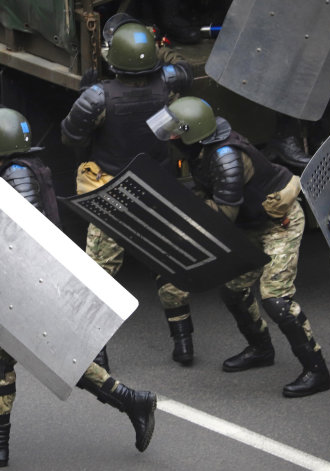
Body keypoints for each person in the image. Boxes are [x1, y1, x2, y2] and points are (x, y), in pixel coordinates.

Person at [0, 106, 157, 467]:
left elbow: (23, 236)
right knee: (53, 360)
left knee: (8, 361)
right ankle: (131, 401)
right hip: (34, 283)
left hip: (29, 285)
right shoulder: (25, 169)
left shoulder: (16, 175)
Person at [146, 96, 330, 397]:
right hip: (250, 223)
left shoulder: (225, 156)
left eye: (176, 133)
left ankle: (316, 370)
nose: (172, 138)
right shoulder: (203, 149)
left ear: (193, 133)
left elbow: (223, 215)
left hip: (277, 224)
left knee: (277, 300)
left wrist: (180, 208)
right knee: (233, 290)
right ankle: (261, 349)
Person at [61, 14, 193, 355]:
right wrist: (157, 52)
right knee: (169, 267)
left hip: (112, 193)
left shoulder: (98, 97)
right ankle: (183, 342)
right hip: (158, 188)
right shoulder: (168, 85)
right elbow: (184, 69)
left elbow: (70, 135)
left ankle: (96, 352)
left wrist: (83, 92)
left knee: (99, 277)